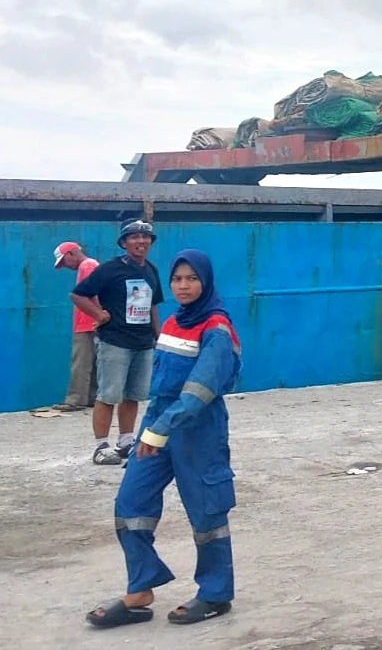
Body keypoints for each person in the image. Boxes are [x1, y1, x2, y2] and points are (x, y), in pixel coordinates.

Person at [86, 250, 241, 629]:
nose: (183, 286)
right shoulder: (172, 321)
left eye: (191, 278)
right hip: (158, 422)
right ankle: (141, 590)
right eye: (177, 279)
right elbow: (161, 386)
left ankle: (215, 593)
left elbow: (201, 389)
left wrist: (159, 430)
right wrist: (152, 427)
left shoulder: (216, 328)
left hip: (198, 429)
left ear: (205, 281)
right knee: (131, 503)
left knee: (207, 513)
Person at [71, 221, 163, 466]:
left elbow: (153, 305)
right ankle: (100, 446)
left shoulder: (151, 270)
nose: (140, 241)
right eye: (134, 237)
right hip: (115, 341)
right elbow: (78, 294)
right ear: (124, 243)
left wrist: (158, 337)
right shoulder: (110, 269)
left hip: (143, 343)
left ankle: (125, 442)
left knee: (133, 395)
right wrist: (99, 315)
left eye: (146, 237)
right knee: (109, 395)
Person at [53, 241, 100, 413]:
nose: (66, 266)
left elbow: (85, 294)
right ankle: (91, 397)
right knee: (94, 363)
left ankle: (75, 399)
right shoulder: (92, 264)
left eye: (64, 261)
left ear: (71, 254)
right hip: (93, 321)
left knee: (80, 362)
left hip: (86, 322)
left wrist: (95, 315)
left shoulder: (86, 266)